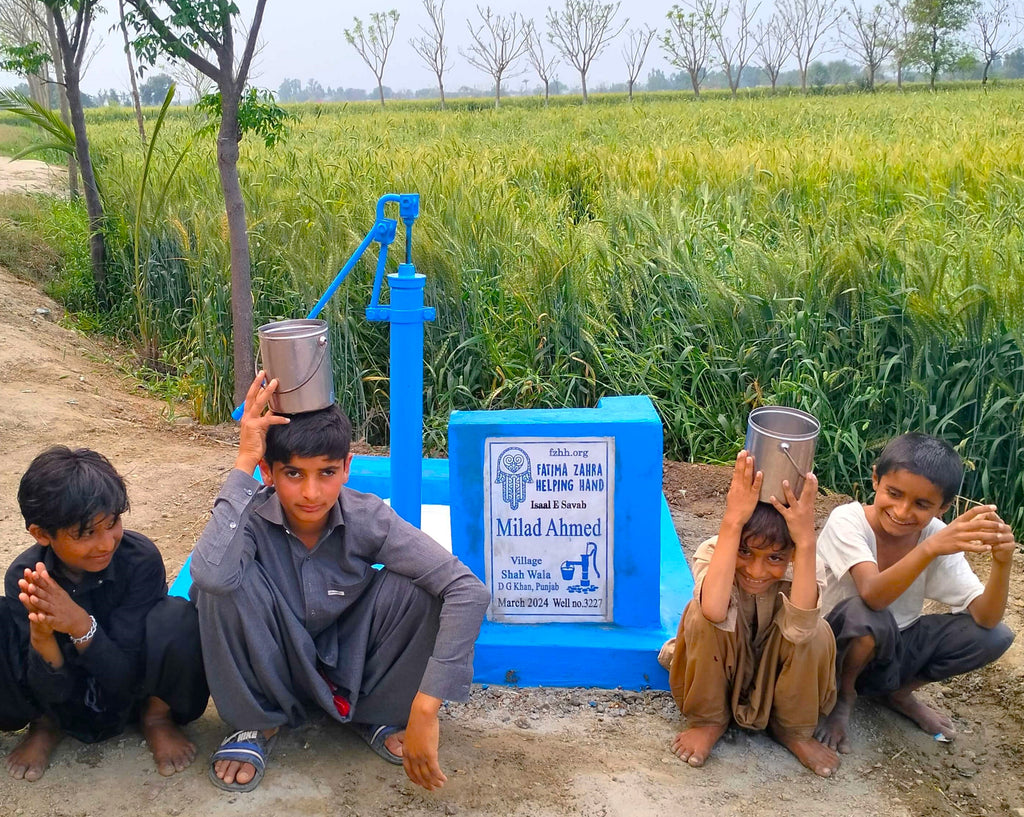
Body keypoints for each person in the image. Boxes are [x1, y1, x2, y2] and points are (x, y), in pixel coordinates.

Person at [192, 372, 490, 794]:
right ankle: (256, 723)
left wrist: (426, 706)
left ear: (348, 467)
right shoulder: (251, 516)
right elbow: (207, 574)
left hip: (351, 654)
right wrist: (241, 461)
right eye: (293, 474)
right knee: (217, 587)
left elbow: (467, 590)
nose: (311, 492)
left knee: (421, 592)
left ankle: (376, 712)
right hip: (272, 656)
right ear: (267, 472)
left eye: (327, 472)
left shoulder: (367, 516)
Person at [1, 446, 208, 782]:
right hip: (59, 694)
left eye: (112, 523)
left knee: (178, 616)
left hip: (132, 688)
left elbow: (124, 678)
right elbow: (42, 681)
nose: (106, 544)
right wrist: (42, 636)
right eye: (85, 534)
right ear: (41, 534)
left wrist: (79, 624)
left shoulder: (139, 560)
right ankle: (45, 724)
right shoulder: (26, 577)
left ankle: (157, 717)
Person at [814, 432, 1016, 753]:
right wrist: (931, 548)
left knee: (995, 636)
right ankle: (843, 696)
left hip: (894, 645)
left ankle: (897, 694)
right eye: (894, 493)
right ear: (876, 479)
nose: (903, 511)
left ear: (943, 507)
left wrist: (1002, 563)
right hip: (832, 648)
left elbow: (986, 618)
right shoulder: (848, 520)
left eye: (922, 504)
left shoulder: (936, 536)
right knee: (869, 613)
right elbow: (872, 595)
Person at [668, 449, 839, 777]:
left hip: (780, 681)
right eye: (745, 552)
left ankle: (792, 730)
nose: (757, 571)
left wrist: (805, 541)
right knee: (700, 614)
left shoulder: (804, 564)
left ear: (789, 553)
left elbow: (802, 630)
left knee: (818, 632)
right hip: (723, 672)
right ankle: (708, 721)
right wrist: (733, 520)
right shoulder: (713, 551)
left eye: (775, 558)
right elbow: (714, 611)